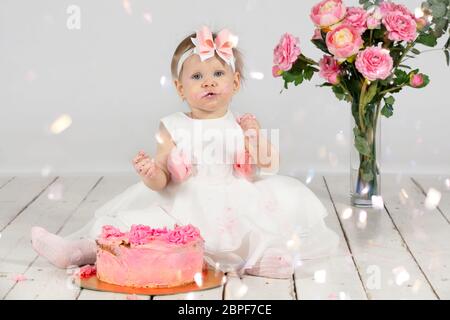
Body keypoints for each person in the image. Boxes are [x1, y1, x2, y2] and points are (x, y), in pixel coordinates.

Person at [31, 26, 339, 279]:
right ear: (180, 89)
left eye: (218, 74)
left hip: (233, 199)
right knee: (139, 229)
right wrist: (152, 173)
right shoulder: (172, 126)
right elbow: (163, 180)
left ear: (235, 83)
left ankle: (258, 261)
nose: (208, 81)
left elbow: (270, 165)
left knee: (252, 228)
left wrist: (254, 137)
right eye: (196, 77)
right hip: (179, 201)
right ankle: (79, 251)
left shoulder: (242, 124)